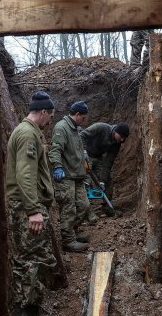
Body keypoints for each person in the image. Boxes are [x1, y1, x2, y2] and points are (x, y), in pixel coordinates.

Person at [5, 91, 58, 316]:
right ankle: (24, 310)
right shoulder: (27, 134)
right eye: (50, 116)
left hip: (26, 205)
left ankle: (32, 306)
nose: (50, 121)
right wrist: (33, 211)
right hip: (25, 207)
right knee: (28, 260)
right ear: (43, 112)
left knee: (35, 258)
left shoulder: (27, 131)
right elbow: (25, 174)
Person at [49, 100, 90, 252]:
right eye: (83, 117)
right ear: (77, 114)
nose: (84, 120)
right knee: (68, 208)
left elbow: (78, 149)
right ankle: (68, 240)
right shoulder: (62, 128)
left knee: (84, 206)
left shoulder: (76, 129)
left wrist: (84, 157)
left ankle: (74, 232)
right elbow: (55, 150)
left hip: (78, 175)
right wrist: (57, 166)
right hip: (66, 176)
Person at [80, 122, 130, 217]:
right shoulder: (100, 127)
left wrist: (102, 181)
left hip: (98, 157)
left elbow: (108, 162)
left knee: (108, 181)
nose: (122, 139)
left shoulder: (117, 143)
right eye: (121, 136)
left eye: (124, 138)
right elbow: (82, 135)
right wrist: (83, 150)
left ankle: (107, 208)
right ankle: (84, 213)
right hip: (85, 156)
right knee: (85, 182)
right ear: (116, 131)